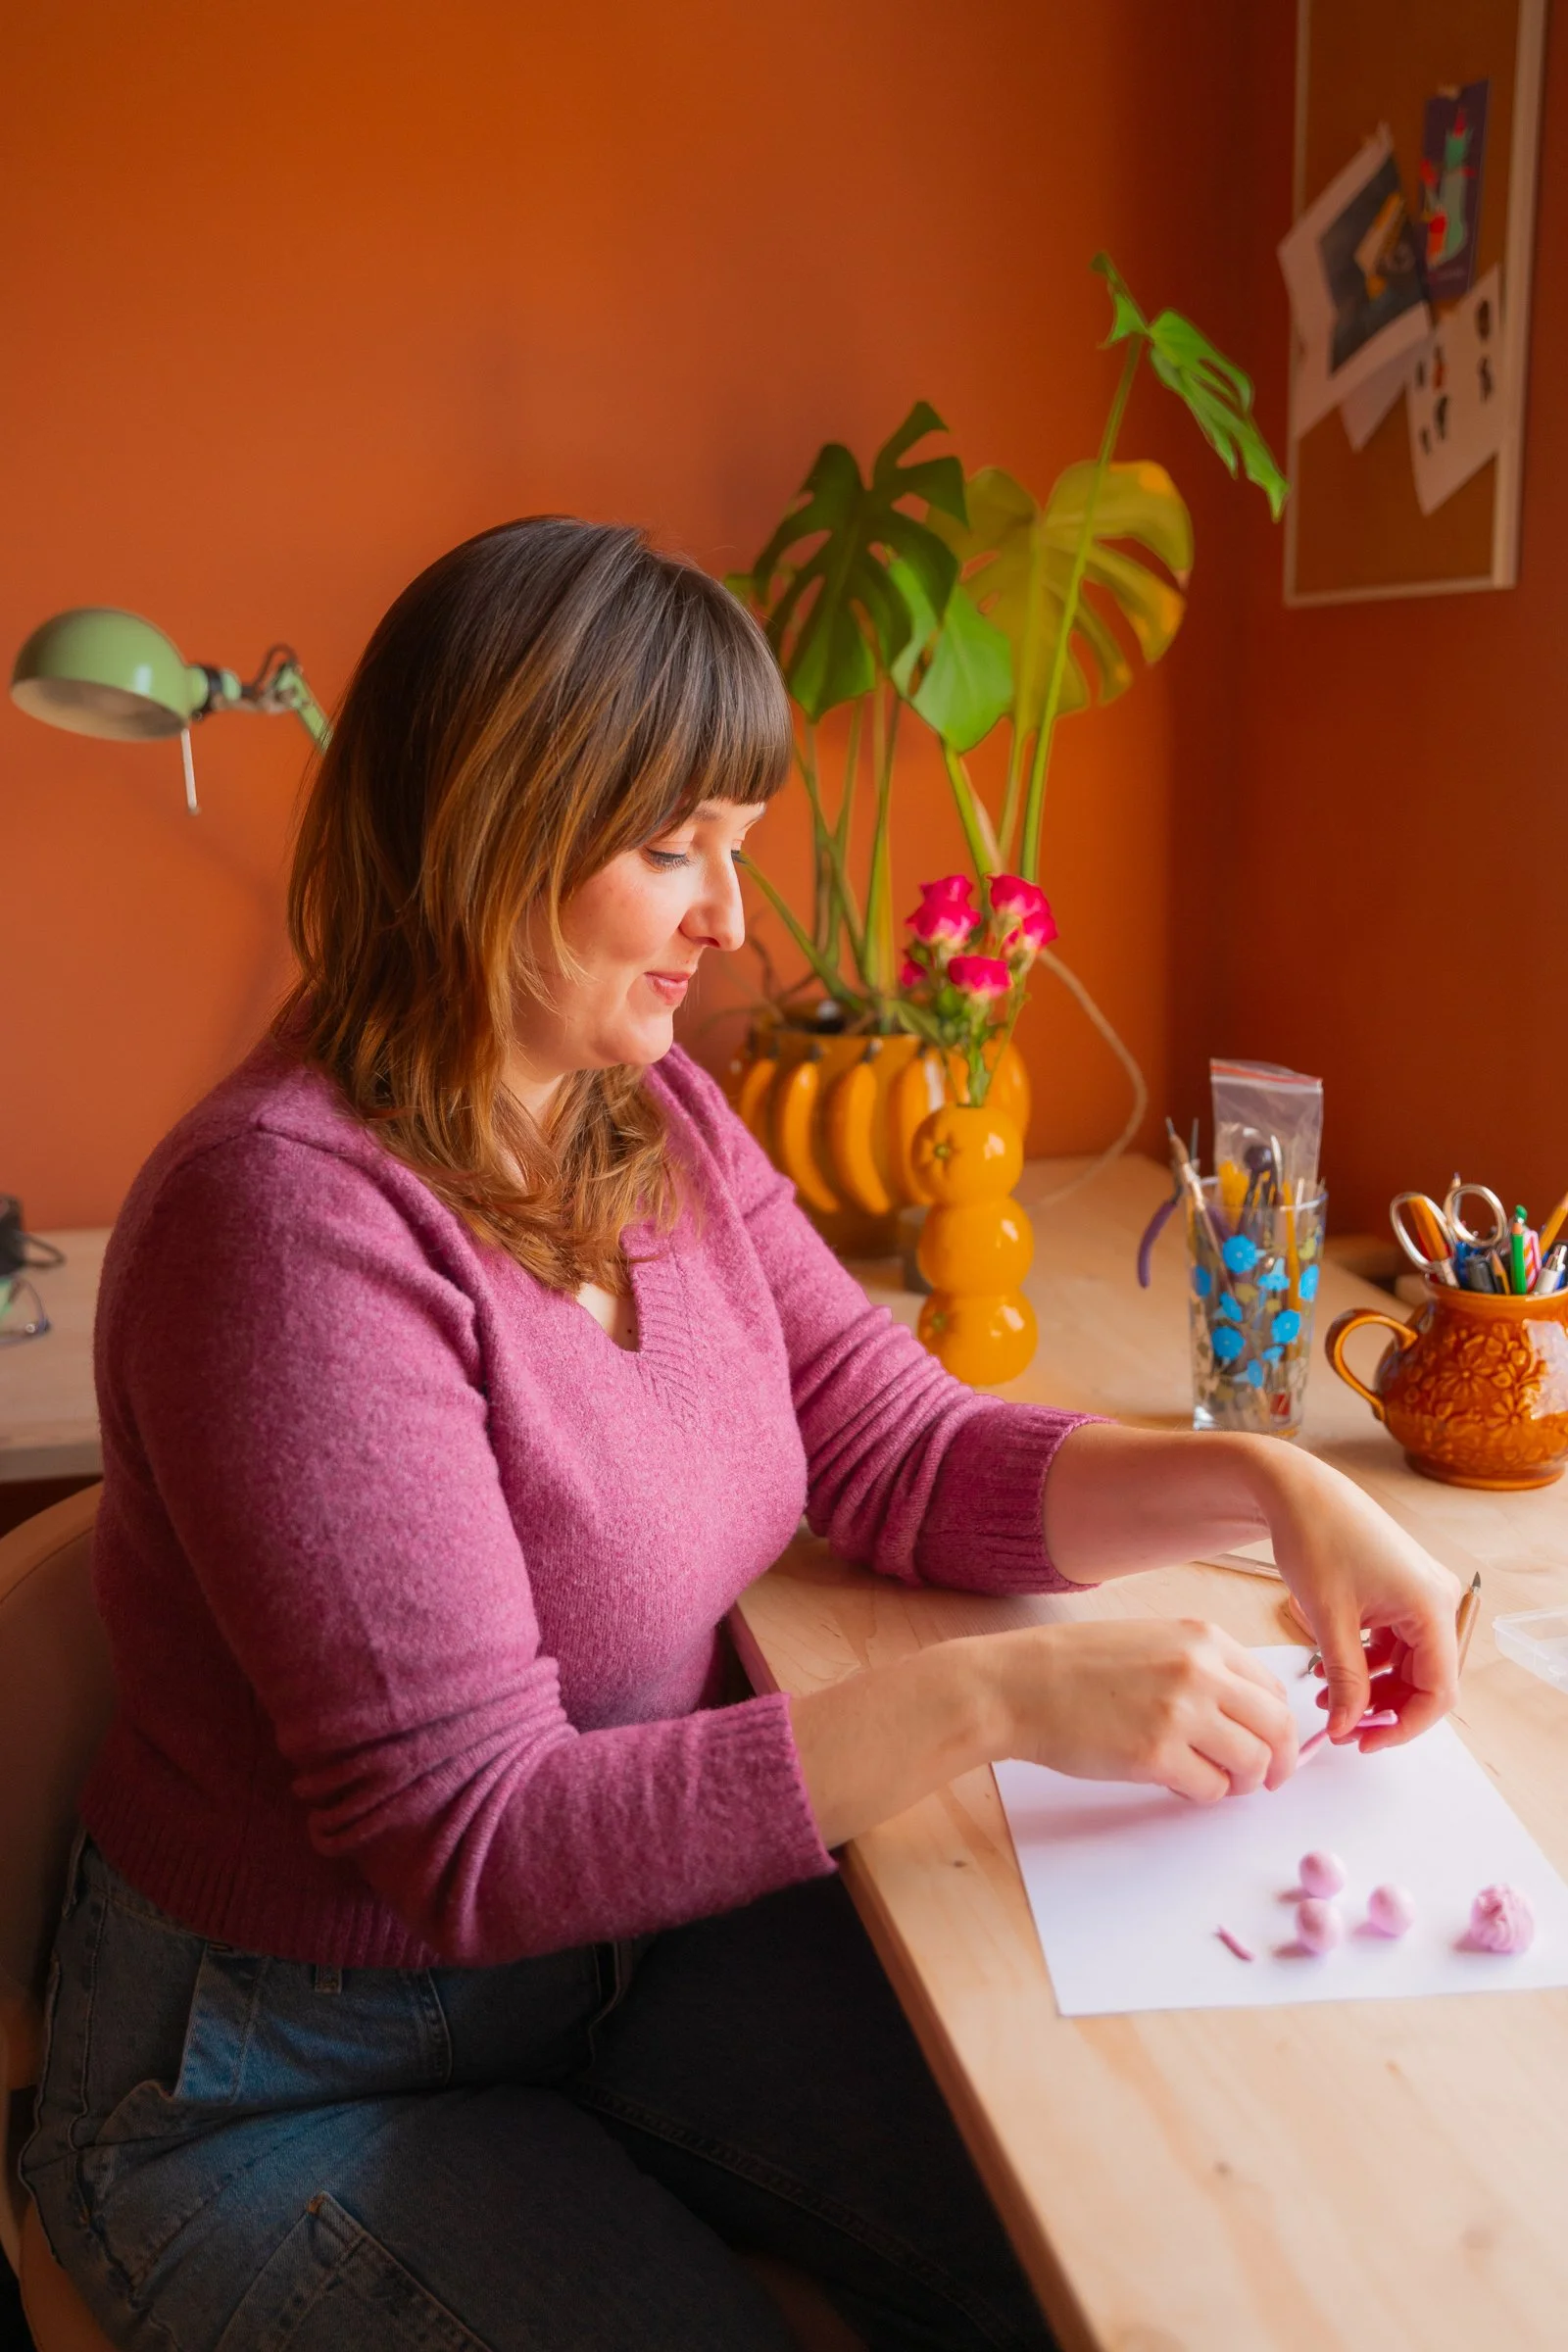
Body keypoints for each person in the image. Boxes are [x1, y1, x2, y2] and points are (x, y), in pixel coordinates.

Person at [24, 518, 1461, 2352]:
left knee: (1133, 2241)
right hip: (286, 2075)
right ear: (486, 829)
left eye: (737, 844)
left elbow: (899, 1450)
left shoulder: (648, 1109)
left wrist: (1275, 1485)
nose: (730, 919)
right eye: (670, 849)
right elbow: (472, 1841)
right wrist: (999, 1699)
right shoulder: (286, 1226)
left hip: (638, 1956)